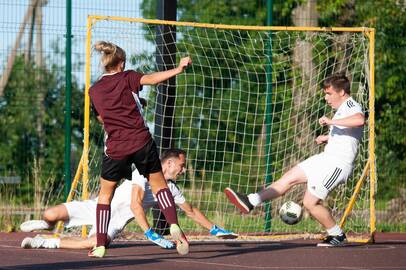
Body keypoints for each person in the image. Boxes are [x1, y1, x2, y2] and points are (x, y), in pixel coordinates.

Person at [224, 73, 365, 247]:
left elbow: (359, 120)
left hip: (337, 164)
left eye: (329, 94)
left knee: (309, 203)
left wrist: (330, 121)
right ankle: (251, 200)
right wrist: (328, 138)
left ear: (342, 92)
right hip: (325, 158)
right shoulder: (341, 109)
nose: (326, 98)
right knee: (289, 177)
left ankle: (337, 235)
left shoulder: (351, 105)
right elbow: (348, 135)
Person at [88, 41, 191, 257]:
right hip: (141, 142)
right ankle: (173, 224)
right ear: (121, 63)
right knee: (160, 186)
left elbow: (101, 117)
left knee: (104, 196)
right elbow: (152, 79)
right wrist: (178, 68)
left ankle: (99, 245)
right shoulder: (128, 77)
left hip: (116, 148)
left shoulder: (94, 90)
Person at [20, 149, 237, 250]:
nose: (183, 170)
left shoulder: (171, 189)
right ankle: (47, 226)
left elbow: (191, 211)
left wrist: (215, 229)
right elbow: (136, 203)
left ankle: (44, 242)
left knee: (94, 242)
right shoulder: (142, 173)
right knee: (50, 214)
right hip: (100, 207)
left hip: (114, 221)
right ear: (169, 164)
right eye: (181, 166)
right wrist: (150, 233)